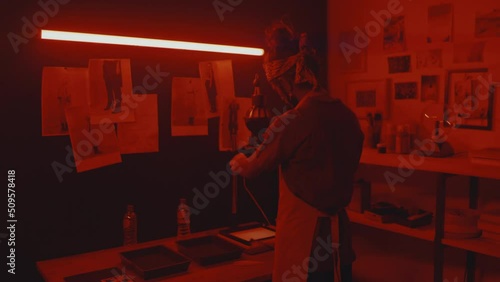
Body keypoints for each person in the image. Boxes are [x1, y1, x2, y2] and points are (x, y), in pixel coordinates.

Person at [229, 19, 364, 282]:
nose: (278, 91)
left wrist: (239, 161)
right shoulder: (348, 117)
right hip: (340, 244)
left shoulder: (291, 121)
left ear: (288, 79)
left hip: (306, 247)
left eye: (278, 83)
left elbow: (253, 167)